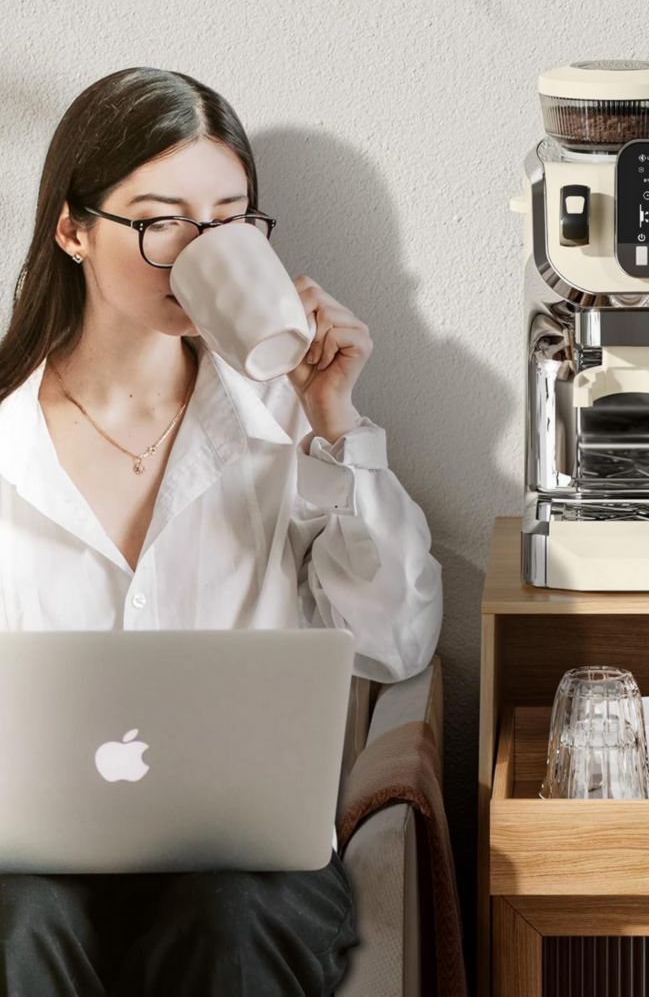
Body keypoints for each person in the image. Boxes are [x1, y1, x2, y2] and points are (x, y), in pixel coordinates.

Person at [0, 67, 444, 995]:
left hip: (241, 867)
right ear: (73, 230)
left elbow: (395, 640)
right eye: (161, 221)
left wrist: (337, 424)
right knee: (21, 923)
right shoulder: (11, 439)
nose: (198, 252)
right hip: (26, 866)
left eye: (230, 221)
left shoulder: (283, 426)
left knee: (228, 914)